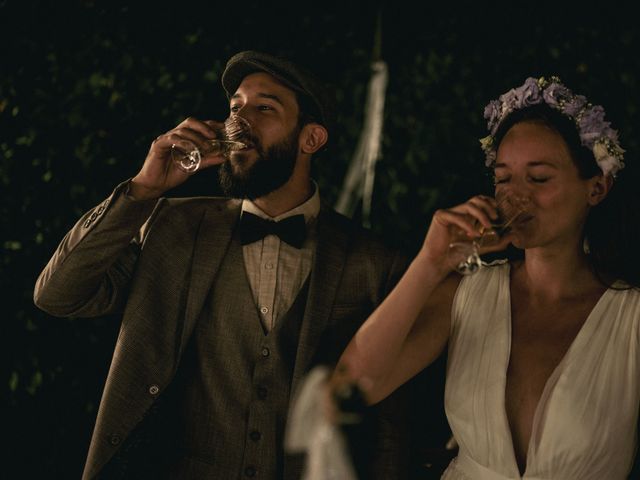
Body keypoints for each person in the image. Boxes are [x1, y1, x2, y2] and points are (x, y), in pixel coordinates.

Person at [34, 50, 410, 479]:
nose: (238, 121)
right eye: (235, 108)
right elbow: (58, 295)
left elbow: (388, 427)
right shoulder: (170, 225)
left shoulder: (375, 261)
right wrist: (142, 189)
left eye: (264, 108)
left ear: (311, 139)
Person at [337, 76, 640, 479]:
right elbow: (349, 390)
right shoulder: (464, 293)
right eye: (503, 178)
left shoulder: (631, 318)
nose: (517, 196)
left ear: (597, 188)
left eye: (539, 178)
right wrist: (430, 263)